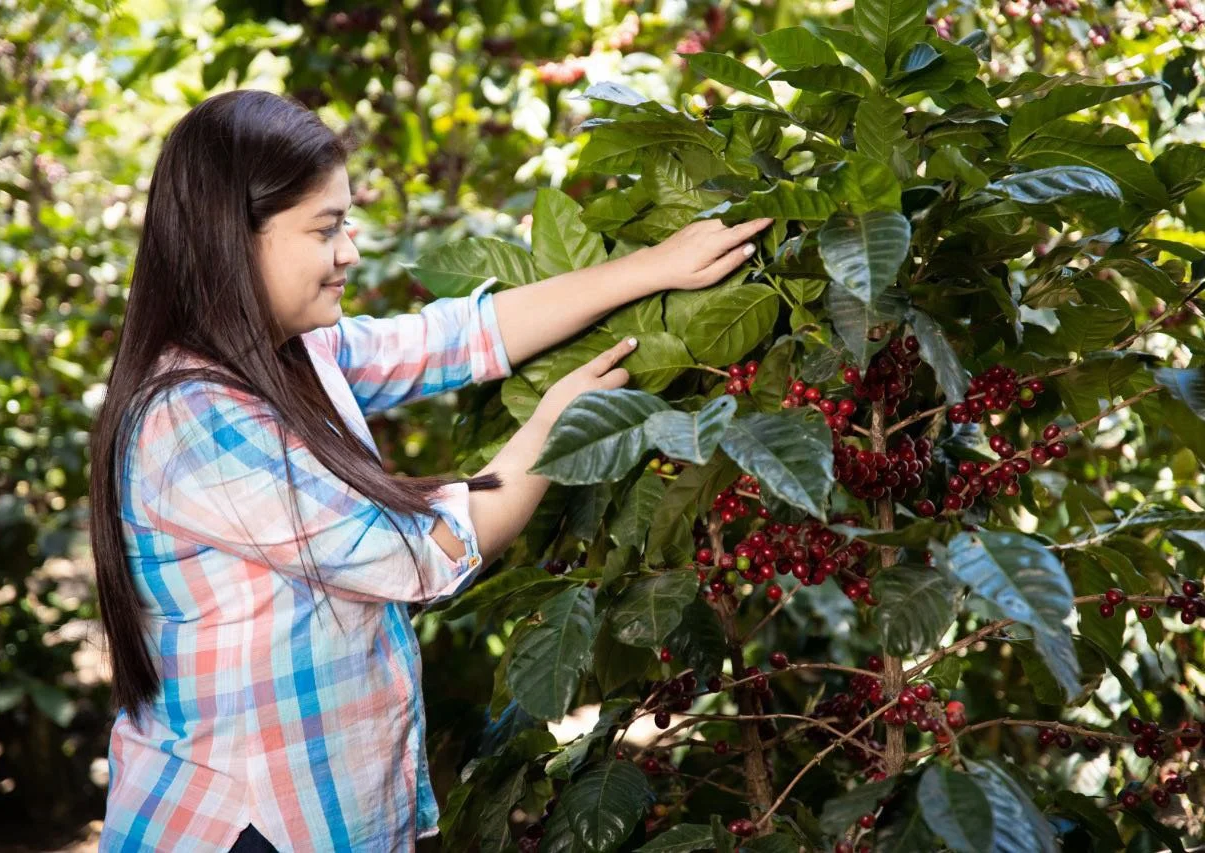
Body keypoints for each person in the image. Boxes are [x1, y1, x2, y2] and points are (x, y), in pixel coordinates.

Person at [87, 88, 771, 852]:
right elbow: (425, 550)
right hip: (246, 824)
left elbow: (454, 338)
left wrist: (652, 269)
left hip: (322, 809)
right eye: (326, 229)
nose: (350, 250)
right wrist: (557, 421)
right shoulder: (193, 423)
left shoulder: (290, 353)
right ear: (232, 239)